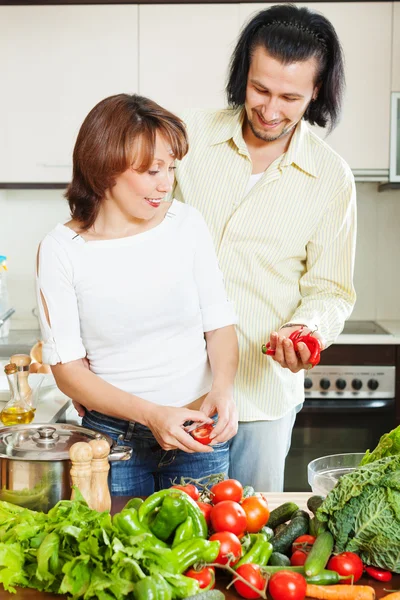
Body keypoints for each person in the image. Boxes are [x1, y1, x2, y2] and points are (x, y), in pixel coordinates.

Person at [171, 3, 357, 492]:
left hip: (261, 398)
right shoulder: (184, 137)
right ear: (243, 75)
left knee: (248, 535)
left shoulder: (331, 178)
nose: (271, 110)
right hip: (171, 393)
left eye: (290, 97)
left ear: (315, 92)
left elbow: (331, 290)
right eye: (260, 89)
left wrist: (305, 329)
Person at [36, 93, 239, 496]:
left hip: (198, 430)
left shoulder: (187, 224)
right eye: (150, 171)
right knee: (122, 555)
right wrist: (151, 415)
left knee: (202, 557)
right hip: (113, 443)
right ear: (104, 167)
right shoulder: (61, 249)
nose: (166, 184)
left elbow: (219, 324)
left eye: (171, 168)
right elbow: (67, 371)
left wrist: (223, 390)